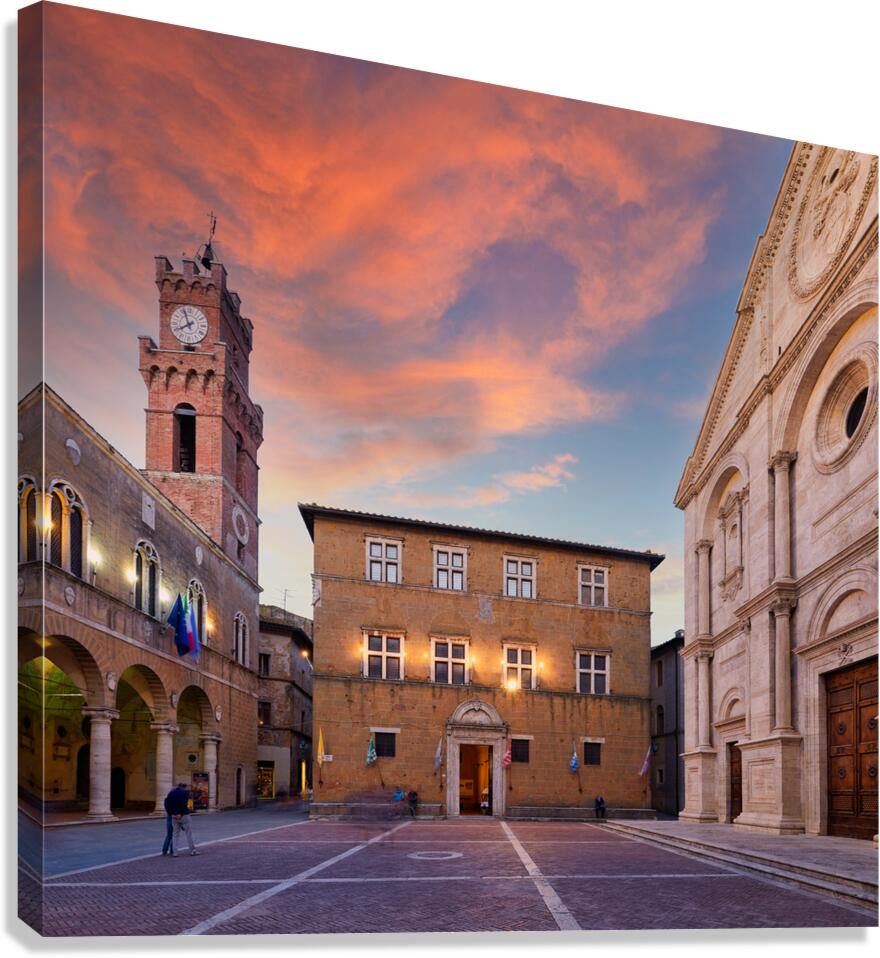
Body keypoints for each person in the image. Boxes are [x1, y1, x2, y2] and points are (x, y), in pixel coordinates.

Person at [165, 781, 200, 856]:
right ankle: (192, 850)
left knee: (175, 834)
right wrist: (180, 814)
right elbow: (184, 804)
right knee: (189, 833)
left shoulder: (171, 793)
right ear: (184, 787)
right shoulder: (184, 793)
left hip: (174, 816)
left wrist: (171, 814)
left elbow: (167, 804)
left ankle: (175, 852)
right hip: (184, 815)